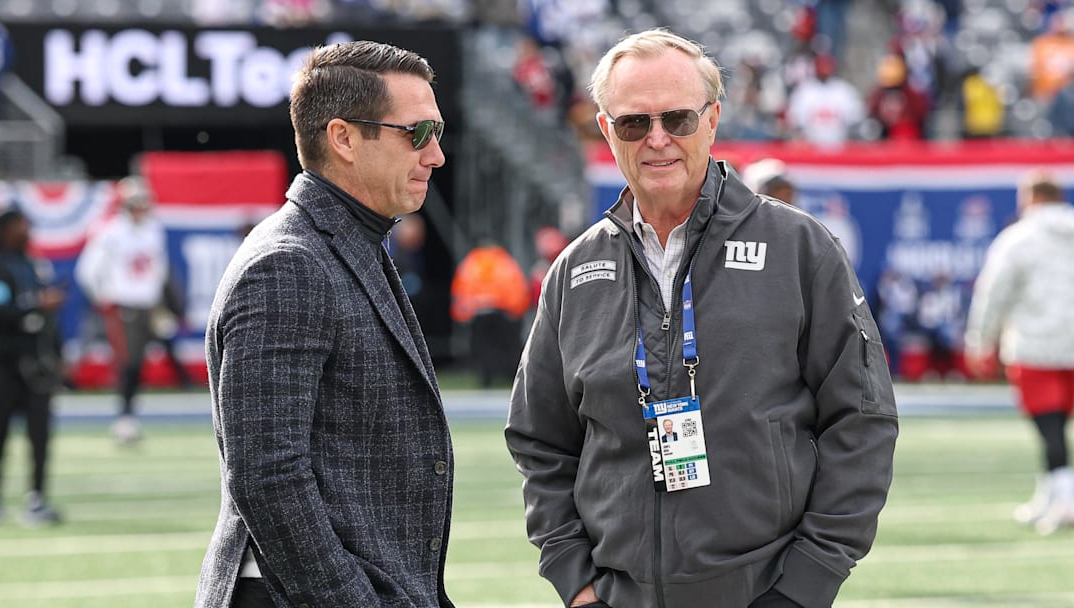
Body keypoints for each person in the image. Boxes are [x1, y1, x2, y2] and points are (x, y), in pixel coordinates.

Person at [505, 28, 898, 608]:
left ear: (712, 120)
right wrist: (576, 581)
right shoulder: (575, 270)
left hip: (765, 593)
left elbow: (862, 419)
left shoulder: (798, 247)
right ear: (607, 131)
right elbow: (540, 440)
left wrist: (806, 584)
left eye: (678, 119)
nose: (657, 138)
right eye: (634, 123)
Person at [194, 41, 453, 608]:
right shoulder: (289, 262)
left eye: (437, 131)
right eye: (417, 133)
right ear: (343, 138)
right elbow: (267, 477)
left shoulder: (345, 243)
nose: (435, 154)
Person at [964, 170, 1074, 535]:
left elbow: (993, 292)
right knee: (1057, 425)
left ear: (1031, 198)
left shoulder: (1018, 238)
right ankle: (1051, 493)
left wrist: (980, 341)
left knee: (1049, 424)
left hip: (1035, 345)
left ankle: (1065, 498)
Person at [74, 176, 169, 444]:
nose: (141, 207)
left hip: (146, 305)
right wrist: (103, 296)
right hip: (122, 304)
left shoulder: (153, 229)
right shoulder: (110, 232)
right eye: (135, 202)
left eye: (143, 202)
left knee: (139, 363)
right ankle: (124, 419)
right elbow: (88, 269)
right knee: (127, 362)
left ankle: (129, 416)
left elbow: (158, 267)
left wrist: (157, 301)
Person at [0, 209, 64, 526]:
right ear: (6, 229)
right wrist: (34, 306)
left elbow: (47, 320)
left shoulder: (34, 265)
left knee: (40, 435)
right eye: (21, 225)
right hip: (3, 365)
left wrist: (57, 354)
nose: (27, 231)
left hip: (36, 366)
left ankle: (36, 498)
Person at [450, 239, 530, 388]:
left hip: (478, 313)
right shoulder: (506, 262)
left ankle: (486, 377)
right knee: (509, 346)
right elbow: (516, 288)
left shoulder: (470, 264)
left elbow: (461, 291)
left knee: (482, 347)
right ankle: (511, 376)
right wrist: (515, 310)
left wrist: (465, 311)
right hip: (503, 312)